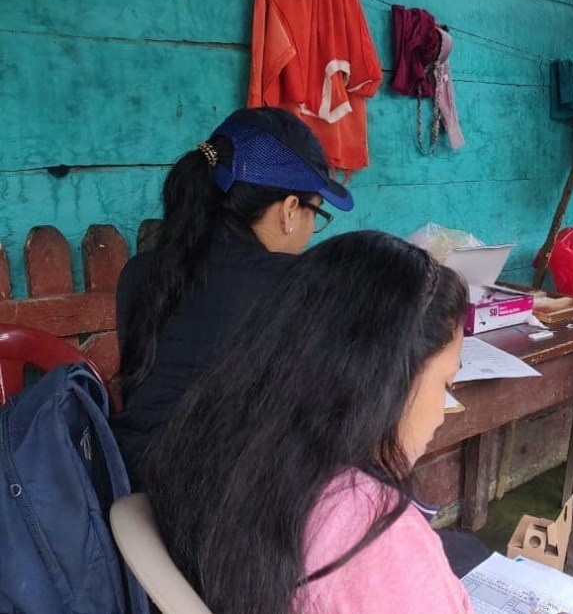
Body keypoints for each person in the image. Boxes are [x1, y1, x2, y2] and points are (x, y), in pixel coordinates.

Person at [145, 231, 474, 614]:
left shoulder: (214, 437)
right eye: (446, 383)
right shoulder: (373, 534)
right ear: (385, 385)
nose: (441, 414)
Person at [111, 107, 349, 490]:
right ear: (290, 210)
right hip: (223, 517)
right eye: (314, 215)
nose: (309, 231)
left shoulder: (138, 273)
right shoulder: (291, 283)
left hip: (135, 496)